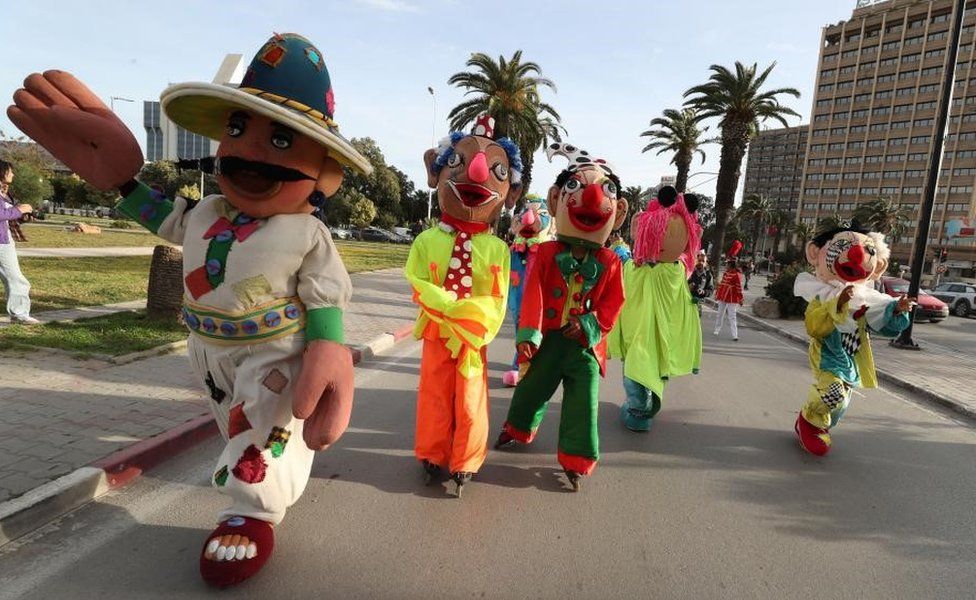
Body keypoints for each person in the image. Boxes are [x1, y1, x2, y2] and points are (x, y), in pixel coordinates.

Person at [10, 34, 370, 587]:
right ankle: (262, 484)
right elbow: (159, 216)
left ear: (322, 170)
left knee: (259, 434)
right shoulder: (203, 212)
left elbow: (326, 297)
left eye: (279, 139)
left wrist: (328, 350)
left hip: (274, 355)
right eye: (236, 132)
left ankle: (249, 514)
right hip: (206, 352)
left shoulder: (307, 232)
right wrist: (119, 178)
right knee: (236, 426)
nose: (250, 152)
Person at [495, 142, 627, 492]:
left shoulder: (611, 261)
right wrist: (529, 335)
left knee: (584, 405)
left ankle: (577, 459)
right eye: (575, 188)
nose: (592, 198)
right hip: (550, 340)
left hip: (584, 346)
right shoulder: (546, 251)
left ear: (620, 211)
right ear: (555, 200)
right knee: (531, 390)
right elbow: (534, 293)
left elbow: (615, 301)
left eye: (607, 191)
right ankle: (518, 429)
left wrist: (589, 325)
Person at [405, 114, 519, 497]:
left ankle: (466, 460)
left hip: (472, 340)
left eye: (496, 169)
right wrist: (452, 309)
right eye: (457, 162)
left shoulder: (498, 250)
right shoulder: (425, 241)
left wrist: (471, 321)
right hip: (438, 333)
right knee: (434, 395)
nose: (476, 171)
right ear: (434, 173)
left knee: (470, 401)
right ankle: (431, 454)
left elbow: (497, 298)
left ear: (510, 192)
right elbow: (417, 282)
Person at [0, 160, 39, 325]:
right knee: (15, 278)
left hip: (4, 239)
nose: (13, 174)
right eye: (10, 171)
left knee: (14, 278)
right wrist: (18, 210)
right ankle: (20, 314)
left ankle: (19, 313)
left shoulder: (4, 193)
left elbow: (6, 216)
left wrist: (21, 215)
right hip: (2, 243)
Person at [714, 243, 744, 341]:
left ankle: (735, 335)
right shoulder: (726, 273)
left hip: (732, 297)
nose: (725, 265)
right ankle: (717, 329)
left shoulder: (737, 275)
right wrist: (717, 294)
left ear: (731, 265)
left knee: (732, 316)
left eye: (727, 264)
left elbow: (739, 288)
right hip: (723, 296)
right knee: (719, 314)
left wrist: (741, 298)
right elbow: (722, 285)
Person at [688, 250, 714, 317]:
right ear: (696, 261)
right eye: (699, 261)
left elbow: (710, 290)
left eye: (703, 261)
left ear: (706, 263)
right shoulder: (689, 272)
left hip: (698, 303)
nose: (701, 263)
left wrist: (703, 292)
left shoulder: (708, 275)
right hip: (686, 301)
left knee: (695, 324)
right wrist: (688, 287)